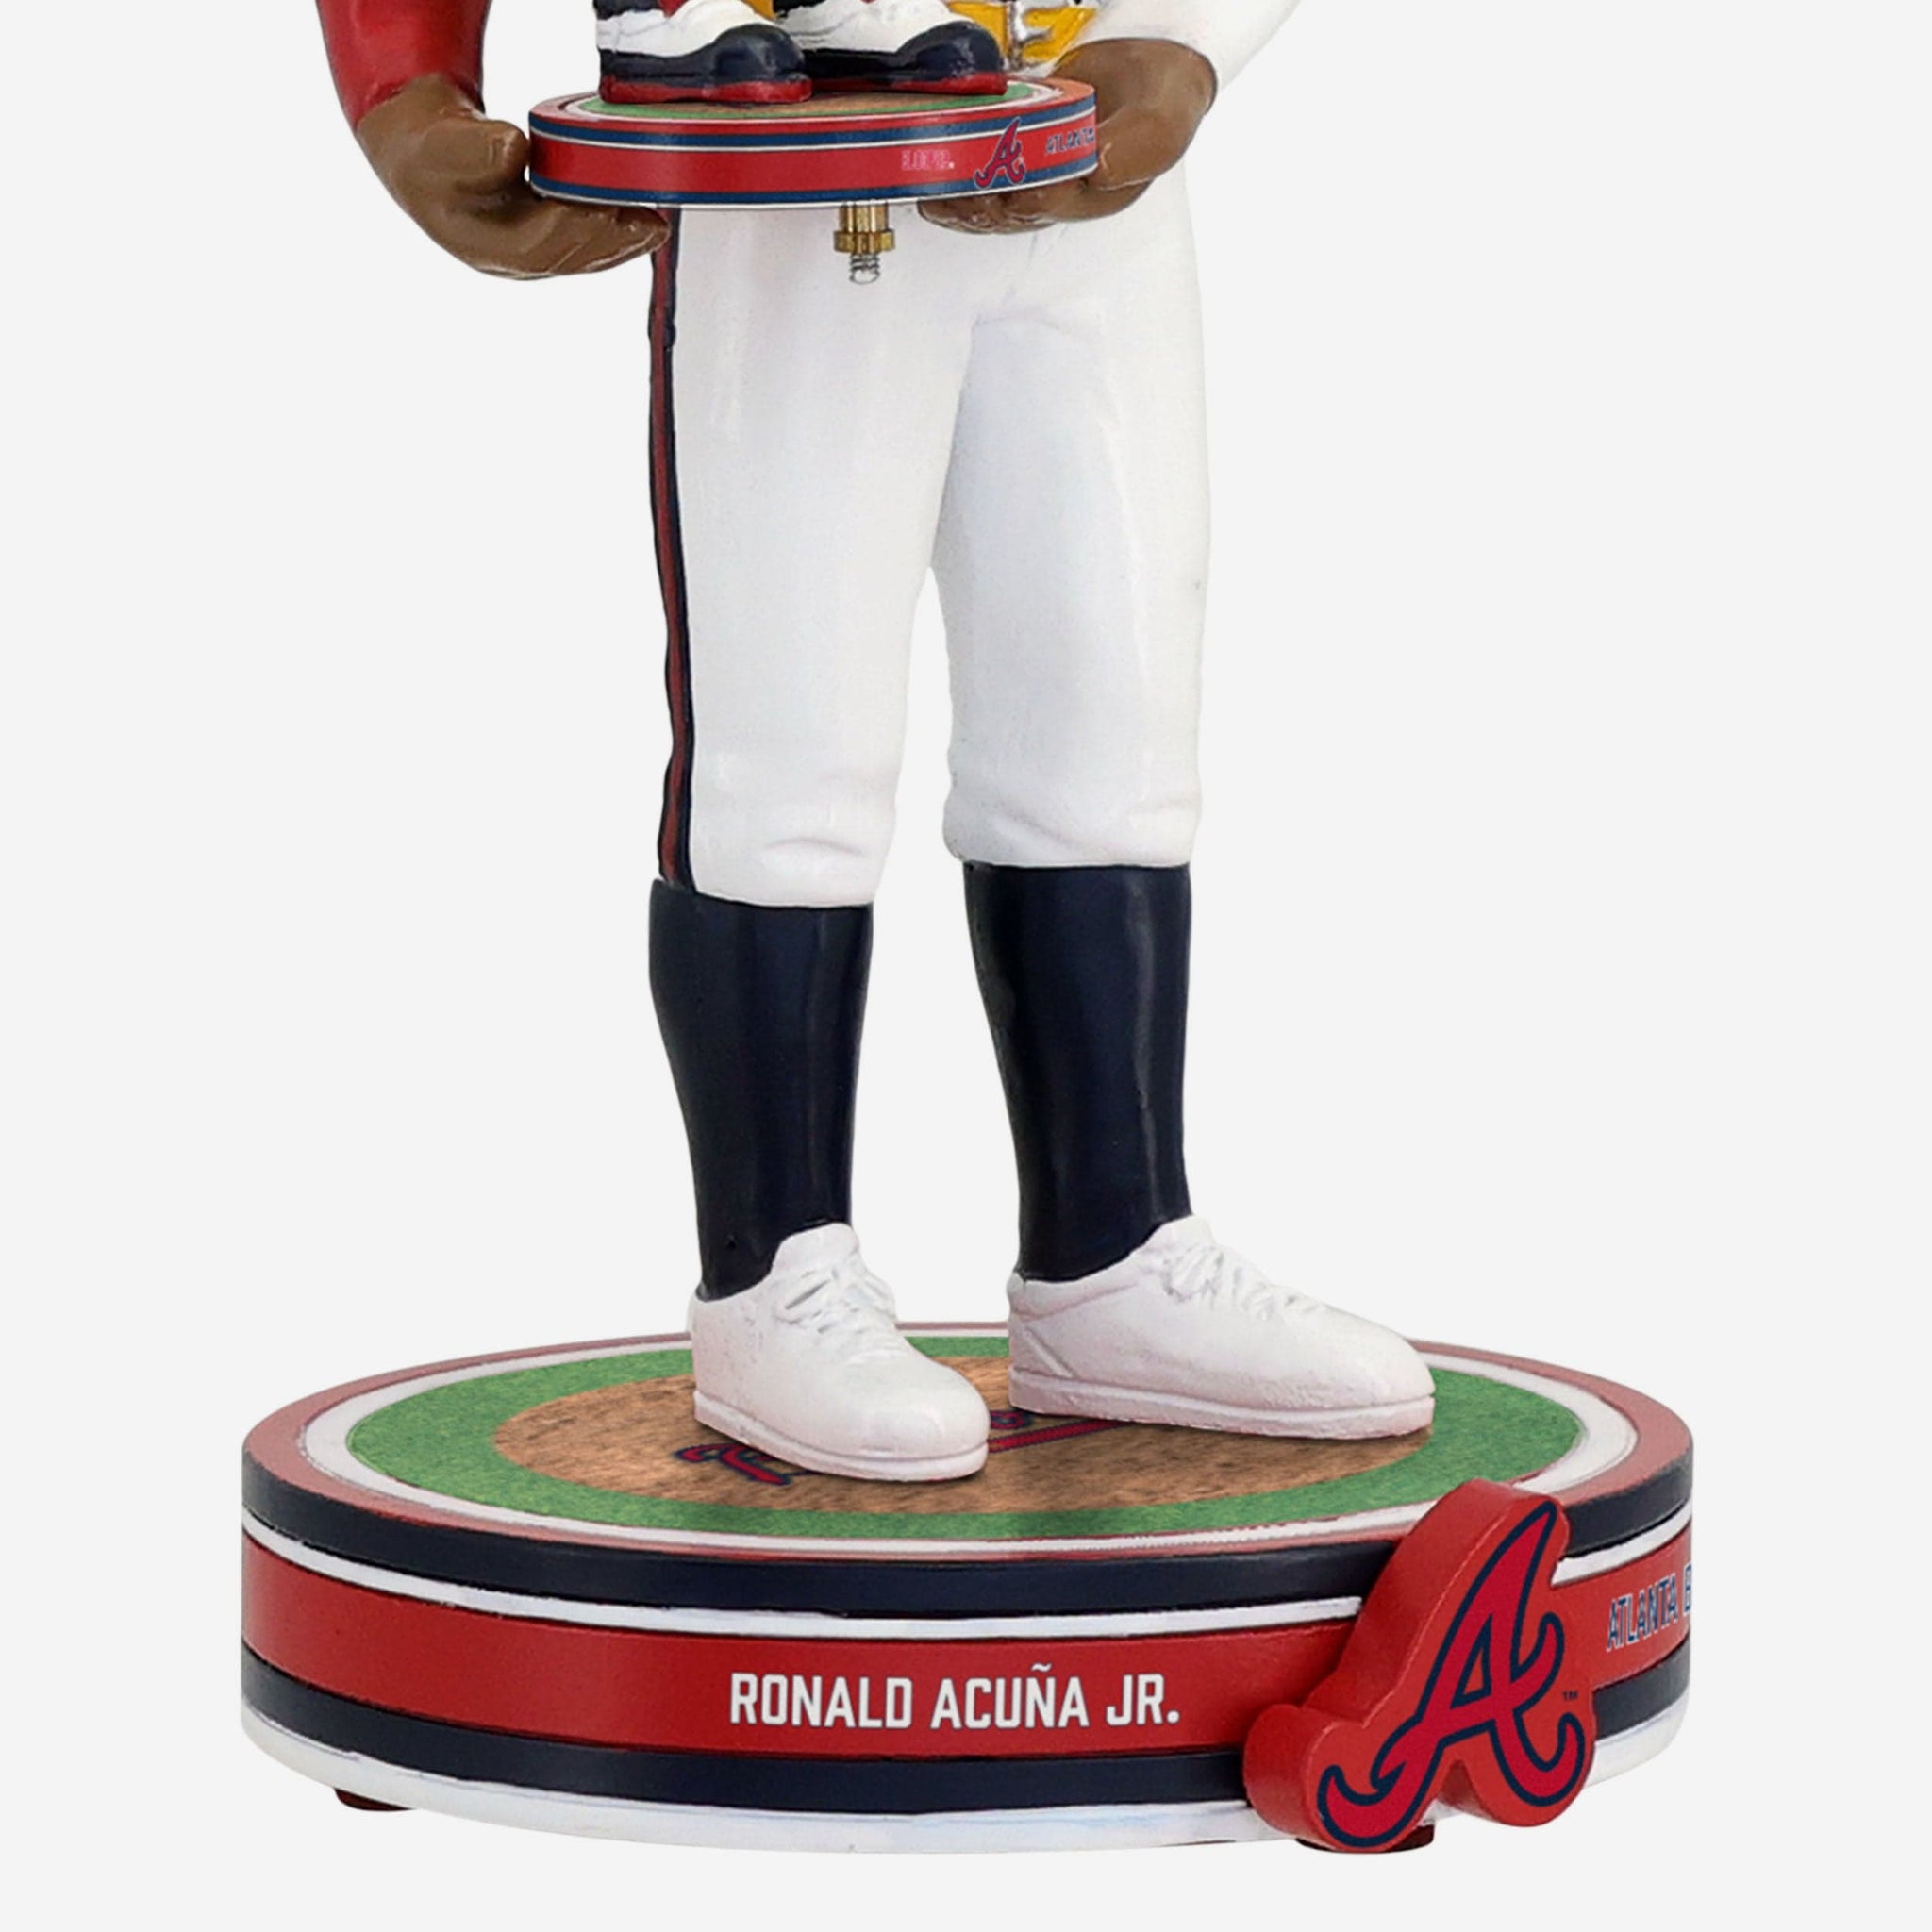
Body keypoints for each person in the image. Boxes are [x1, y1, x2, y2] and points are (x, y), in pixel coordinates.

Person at [316, 0, 1438, 1482]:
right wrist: (404, 82)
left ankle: (1117, 1252)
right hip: (799, 179)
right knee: (793, 751)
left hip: (1087, 182)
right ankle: (772, 1278)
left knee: (1108, 729)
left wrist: (1186, 37)